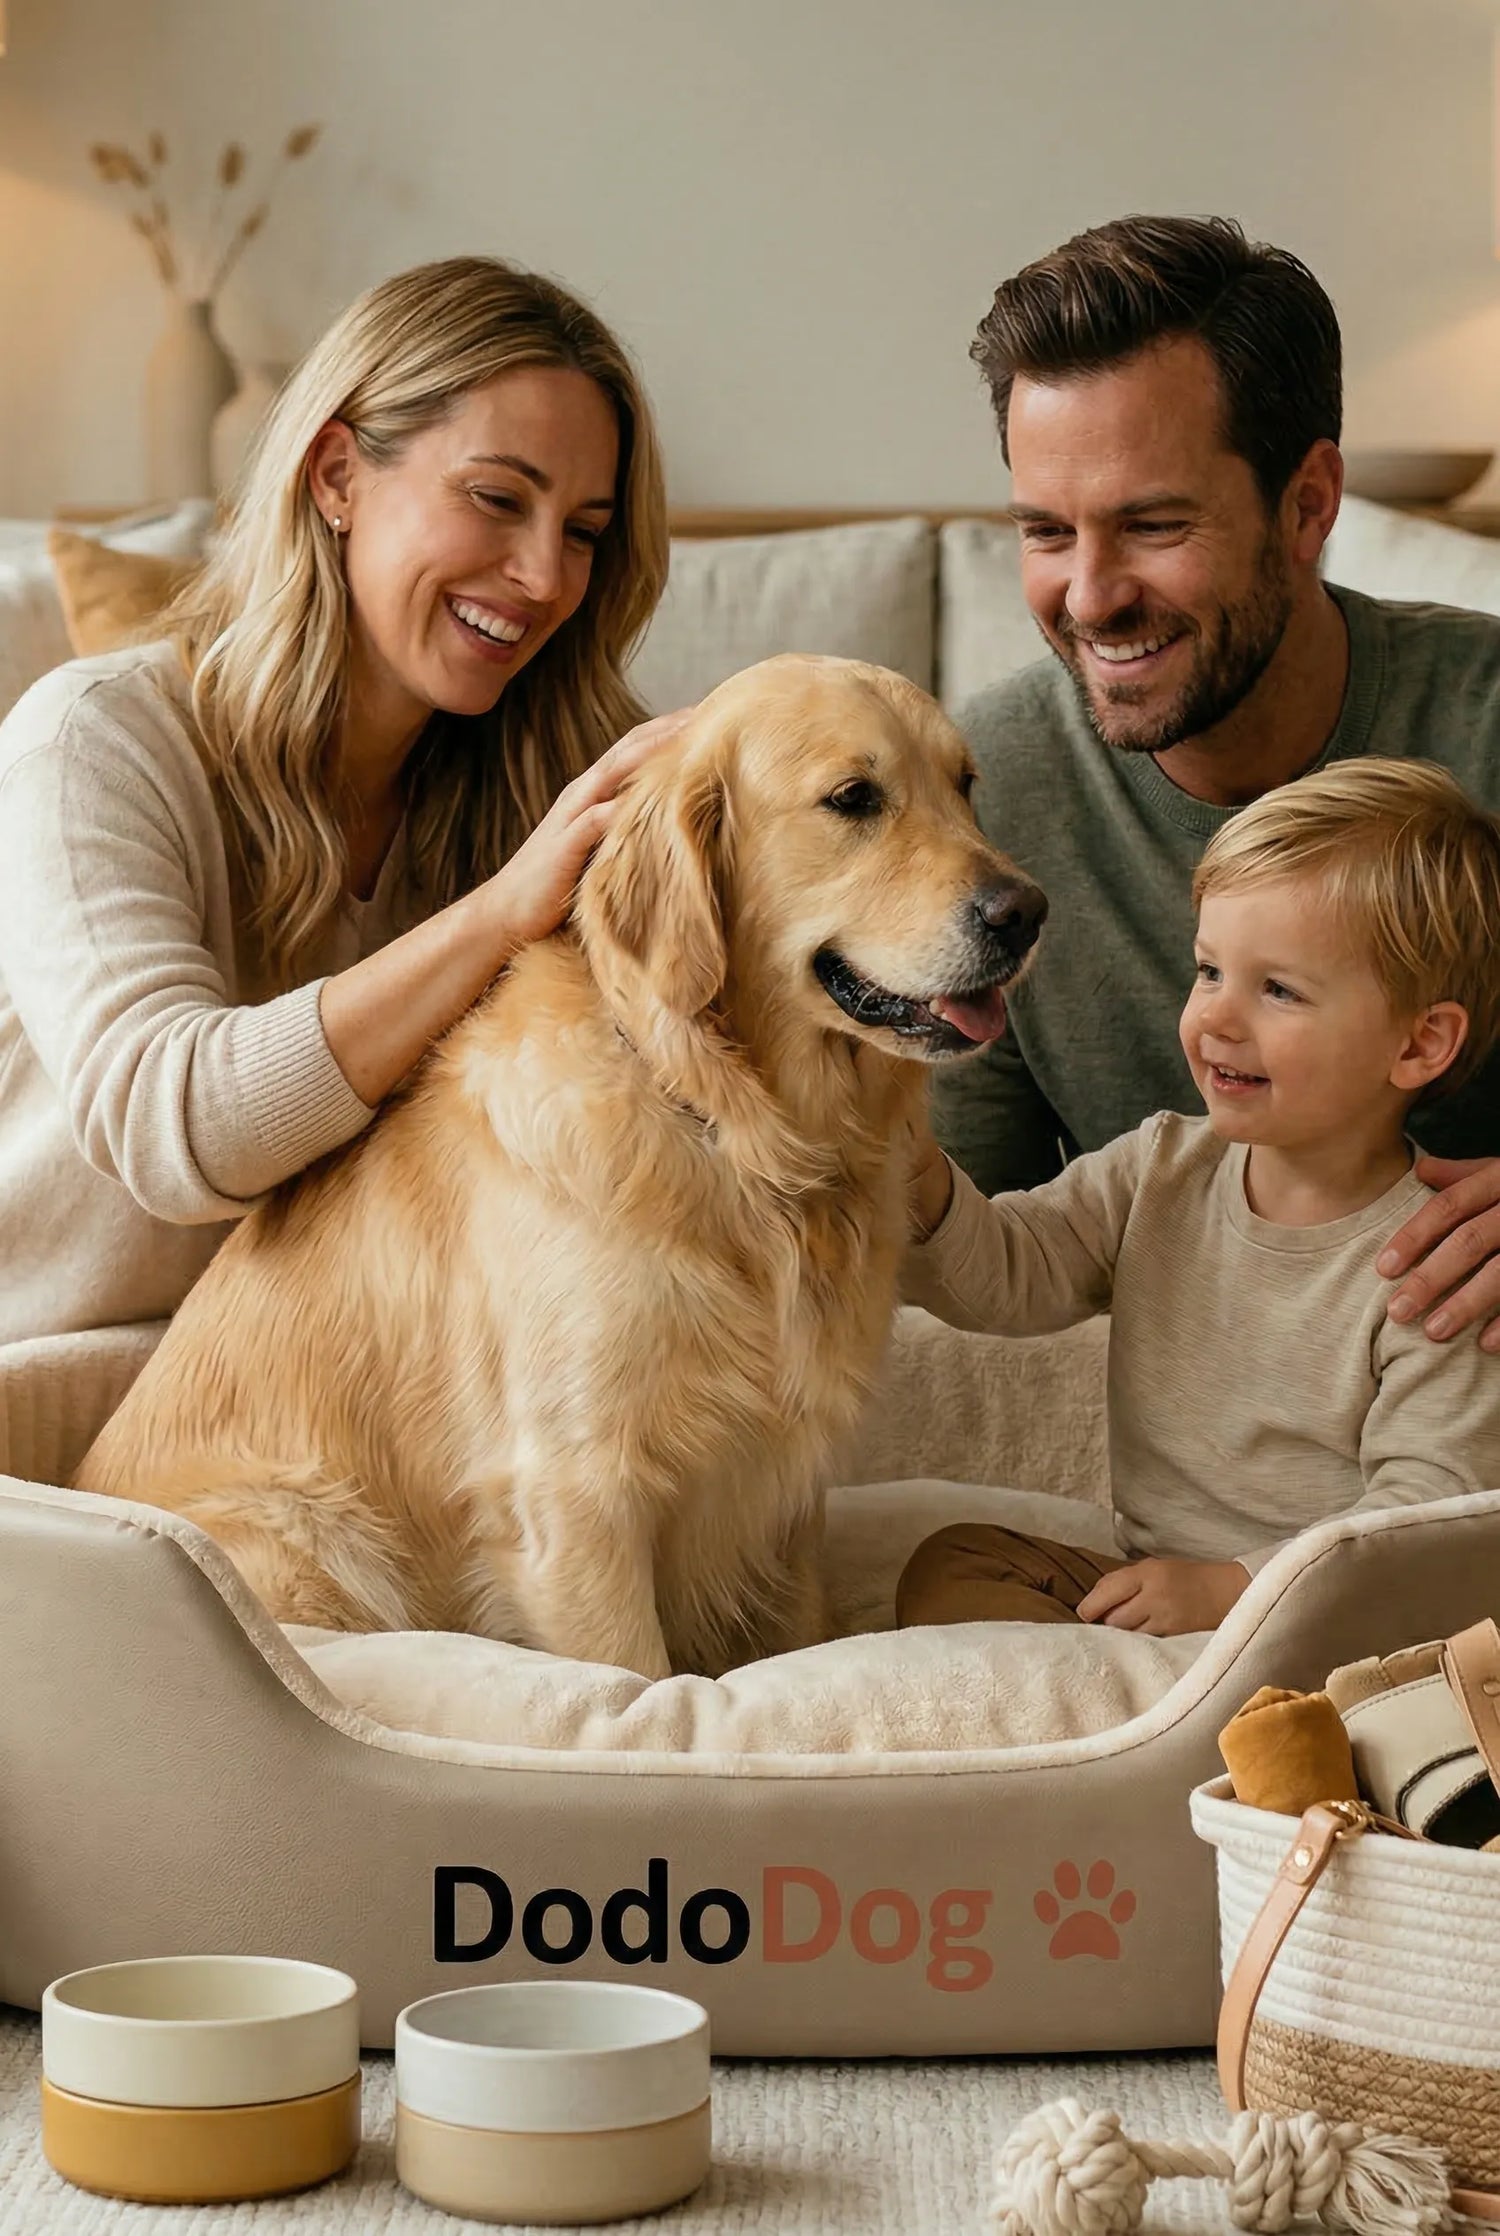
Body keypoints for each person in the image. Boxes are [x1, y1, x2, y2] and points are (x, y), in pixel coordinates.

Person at [0, 256, 684, 1344]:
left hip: (338, 1392)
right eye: (497, 499)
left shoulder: (546, 780)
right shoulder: (92, 740)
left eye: (584, 531)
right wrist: (501, 915)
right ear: (336, 476)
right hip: (45, 1383)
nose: (548, 577)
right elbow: (179, 1132)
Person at [934, 215, 1500, 1352]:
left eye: (1153, 525)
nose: (1089, 598)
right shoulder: (983, 790)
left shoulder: (1485, 720)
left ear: (1309, 504)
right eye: (1047, 531)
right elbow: (972, 1258)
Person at [898, 758, 1500, 1640]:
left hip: (1325, 1619)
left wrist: (1232, 1589)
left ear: (1419, 1045)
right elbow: (1007, 1276)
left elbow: (1422, 1518)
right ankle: (1130, 1696)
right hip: (1157, 1589)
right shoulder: (1159, 1168)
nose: (1216, 1017)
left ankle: (1193, 1704)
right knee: (953, 1561)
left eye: (1278, 989)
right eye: (1209, 971)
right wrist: (911, 1170)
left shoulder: (1445, 1266)